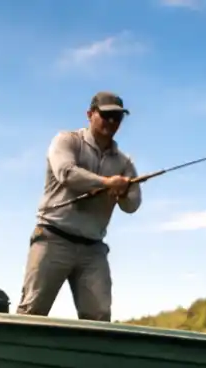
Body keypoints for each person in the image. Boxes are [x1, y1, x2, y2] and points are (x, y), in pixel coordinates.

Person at [16, 91, 143, 322]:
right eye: (106, 115)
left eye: (117, 117)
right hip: (52, 238)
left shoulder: (124, 162)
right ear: (90, 114)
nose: (112, 121)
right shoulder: (66, 140)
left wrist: (123, 192)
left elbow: (132, 205)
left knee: (99, 317)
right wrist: (107, 183)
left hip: (93, 249)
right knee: (32, 311)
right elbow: (66, 173)